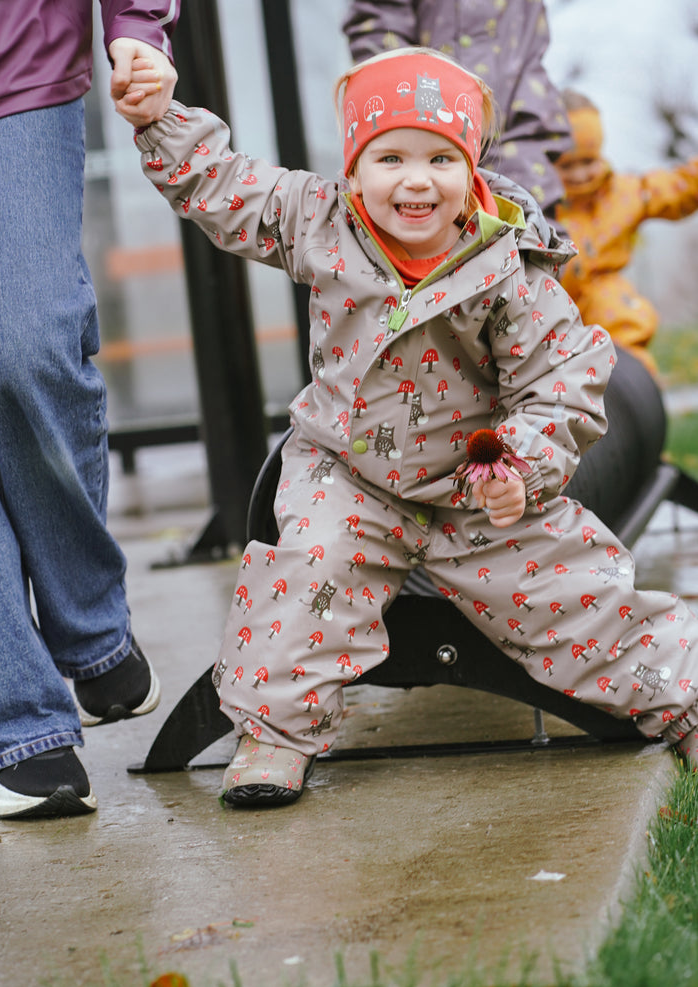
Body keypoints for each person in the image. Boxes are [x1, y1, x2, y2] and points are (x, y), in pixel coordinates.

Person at [132, 46, 698, 808]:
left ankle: (681, 696)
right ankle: (275, 734)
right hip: (349, 474)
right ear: (355, 168)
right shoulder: (317, 221)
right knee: (309, 571)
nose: (416, 180)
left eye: (440, 158)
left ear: (472, 170)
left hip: (478, 481)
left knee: (576, 591)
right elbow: (224, 187)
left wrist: (522, 466)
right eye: (389, 156)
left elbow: (561, 379)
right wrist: (158, 119)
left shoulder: (504, 266)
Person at [0, 1, 178, 820]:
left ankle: (89, 625)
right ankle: (21, 729)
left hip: (11, 42)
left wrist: (138, 26)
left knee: (22, 348)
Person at [341, 0, 572, 226]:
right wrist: (405, 104)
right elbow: (380, 25)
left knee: (531, 229)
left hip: (516, 126)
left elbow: (530, 44)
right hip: (420, 115)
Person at [553, 89, 698, 376]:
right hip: (550, 302)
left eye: (589, 161)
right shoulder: (540, 203)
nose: (580, 175)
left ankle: (632, 378)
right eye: (567, 165)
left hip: (604, 299)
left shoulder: (624, 193)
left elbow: (675, 189)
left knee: (618, 308)